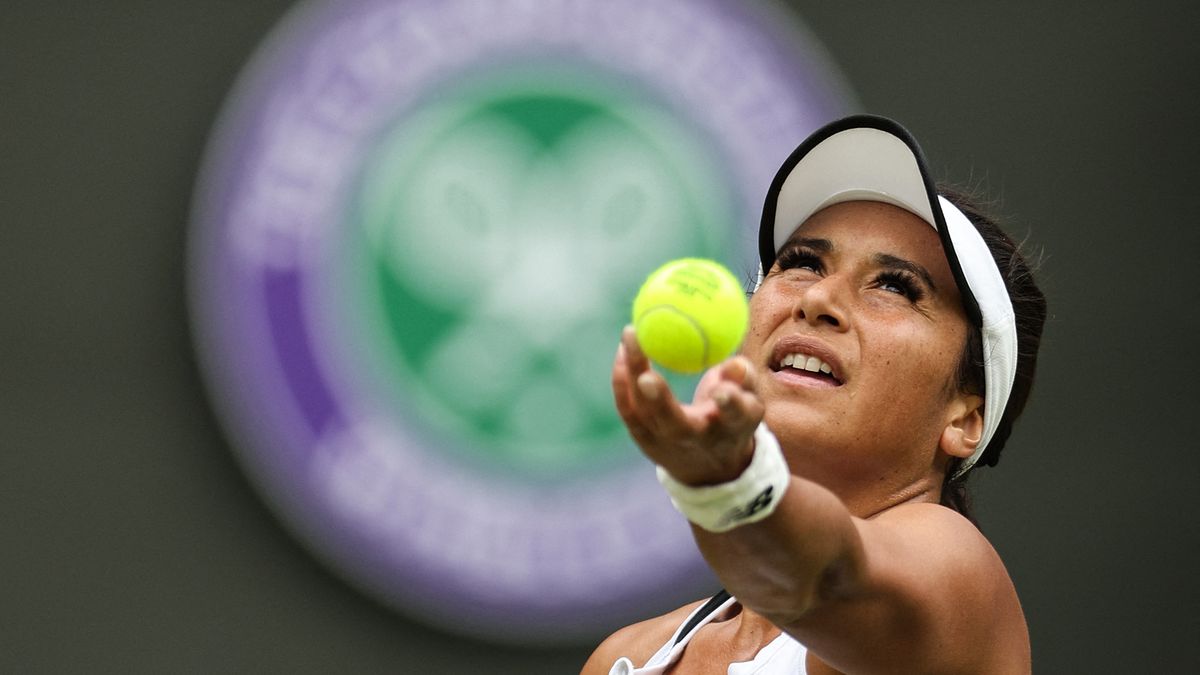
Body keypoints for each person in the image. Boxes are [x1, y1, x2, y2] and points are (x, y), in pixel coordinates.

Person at [581, 115, 1046, 674]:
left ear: (965, 417)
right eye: (801, 263)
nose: (818, 297)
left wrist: (727, 482)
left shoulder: (958, 580)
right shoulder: (623, 657)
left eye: (895, 285)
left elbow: (828, 578)